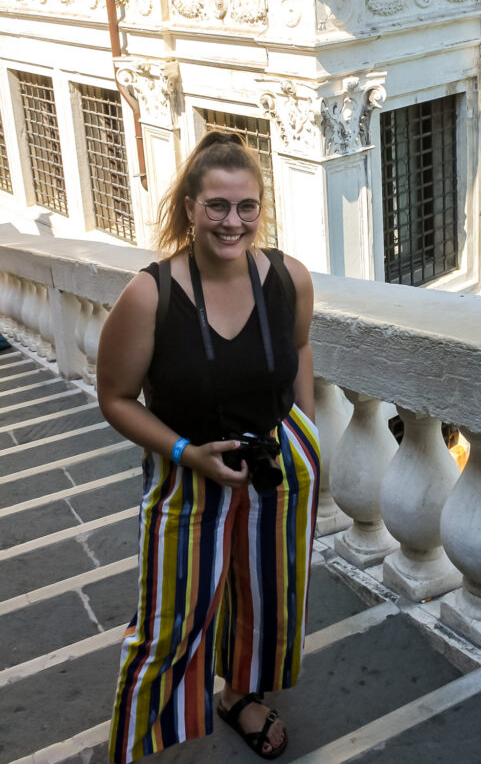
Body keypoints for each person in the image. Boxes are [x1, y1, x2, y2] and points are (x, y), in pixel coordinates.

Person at [97, 132, 319, 763]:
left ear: (260, 209)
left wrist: (305, 428)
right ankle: (138, 741)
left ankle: (239, 696)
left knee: (267, 598)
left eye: (246, 206)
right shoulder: (150, 294)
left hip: (277, 468)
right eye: (217, 206)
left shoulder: (288, 277)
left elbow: (300, 347)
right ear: (190, 207)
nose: (233, 221)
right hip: (188, 471)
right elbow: (114, 398)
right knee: (169, 618)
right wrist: (188, 454)